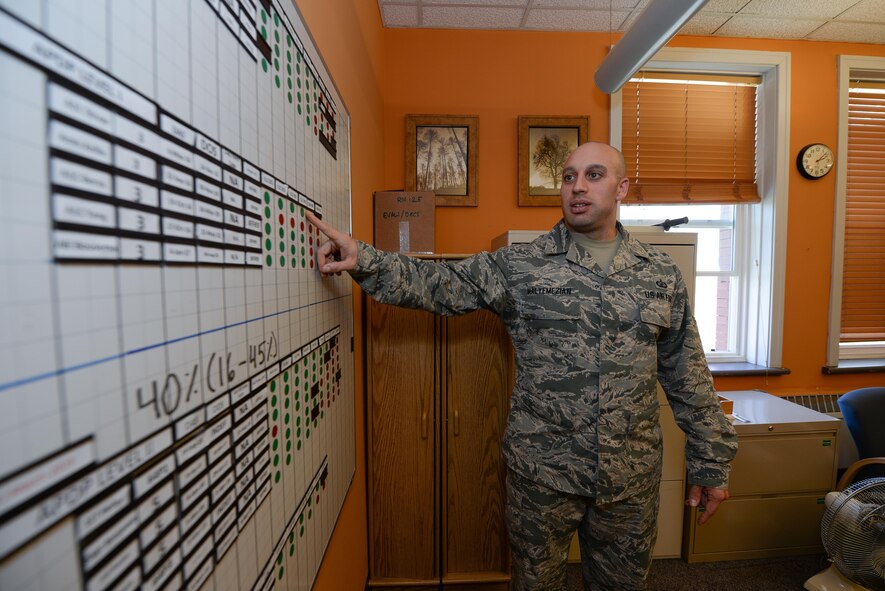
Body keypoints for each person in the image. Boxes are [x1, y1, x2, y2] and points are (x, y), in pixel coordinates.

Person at [306, 141, 738, 591]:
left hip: (628, 482)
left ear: (622, 187)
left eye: (594, 175)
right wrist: (366, 258)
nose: (578, 187)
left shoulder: (660, 275)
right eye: (569, 177)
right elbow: (440, 283)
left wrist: (711, 464)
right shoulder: (523, 265)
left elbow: (687, 373)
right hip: (541, 478)